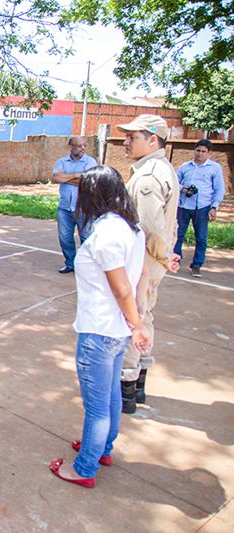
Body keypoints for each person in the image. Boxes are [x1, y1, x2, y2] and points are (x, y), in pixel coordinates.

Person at [48, 165, 151, 488]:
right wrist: (134, 322)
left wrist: (137, 325)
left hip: (100, 330)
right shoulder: (131, 227)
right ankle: (102, 447)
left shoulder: (107, 233)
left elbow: (122, 289)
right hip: (115, 330)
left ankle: (84, 467)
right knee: (110, 395)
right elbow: (141, 278)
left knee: (96, 406)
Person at [117, 114, 180, 414]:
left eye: (133, 137)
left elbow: (150, 228)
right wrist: (167, 253)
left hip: (143, 260)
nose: (126, 142)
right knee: (145, 315)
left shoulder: (147, 177)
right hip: (153, 258)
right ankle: (139, 382)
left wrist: (164, 256)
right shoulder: (163, 168)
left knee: (133, 318)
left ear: (153, 140)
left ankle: (126, 388)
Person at [173, 139, 225, 278]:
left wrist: (214, 207)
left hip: (202, 207)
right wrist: (182, 189)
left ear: (208, 153)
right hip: (183, 206)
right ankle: (175, 260)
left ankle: (196, 265)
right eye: (198, 150)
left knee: (201, 237)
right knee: (178, 234)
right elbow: (175, 182)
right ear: (194, 150)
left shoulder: (214, 168)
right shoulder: (185, 166)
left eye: (203, 151)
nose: (200, 154)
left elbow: (219, 189)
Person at [52, 137, 98, 273]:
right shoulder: (61, 162)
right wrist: (77, 175)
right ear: (70, 147)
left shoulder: (90, 162)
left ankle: (87, 266)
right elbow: (55, 178)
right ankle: (70, 263)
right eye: (79, 146)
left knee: (87, 238)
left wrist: (66, 178)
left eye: (84, 145)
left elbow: (89, 182)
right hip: (65, 208)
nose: (83, 148)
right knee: (65, 238)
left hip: (84, 207)